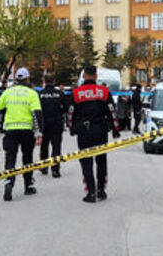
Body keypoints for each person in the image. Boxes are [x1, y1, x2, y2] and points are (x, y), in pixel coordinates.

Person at [68, 65, 120, 203]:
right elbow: (112, 112)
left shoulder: (76, 93)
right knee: (101, 160)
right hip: (100, 130)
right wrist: (115, 130)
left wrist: (72, 129)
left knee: (86, 161)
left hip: (84, 131)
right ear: (96, 76)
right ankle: (101, 190)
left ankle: (90, 192)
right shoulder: (103, 92)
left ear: (84, 76)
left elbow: (70, 113)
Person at [0, 67, 43, 202]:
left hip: (10, 130)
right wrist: (39, 133)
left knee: (10, 158)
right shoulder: (32, 93)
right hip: (26, 130)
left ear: (16, 79)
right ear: (28, 79)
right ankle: (28, 185)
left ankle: (9, 183)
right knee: (27, 158)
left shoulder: (7, 92)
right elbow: (37, 114)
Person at [37, 76, 67, 178]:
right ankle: (55, 170)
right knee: (56, 147)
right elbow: (65, 108)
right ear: (54, 81)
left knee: (44, 146)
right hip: (57, 123)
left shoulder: (40, 94)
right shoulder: (60, 93)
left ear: (44, 81)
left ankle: (44, 167)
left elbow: (37, 109)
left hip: (44, 124)